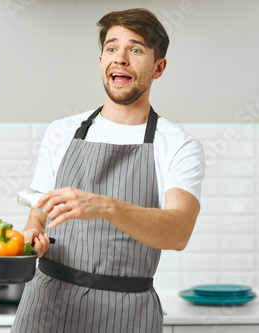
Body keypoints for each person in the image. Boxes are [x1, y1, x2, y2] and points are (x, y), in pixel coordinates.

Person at [11, 8, 205, 333]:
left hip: (127, 313)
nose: (121, 58)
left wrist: (104, 206)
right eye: (112, 48)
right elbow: (38, 212)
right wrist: (33, 234)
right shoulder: (62, 131)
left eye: (136, 49)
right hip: (47, 304)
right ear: (101, 60)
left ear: (159, 68)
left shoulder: (178, 145)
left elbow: (178, 232)